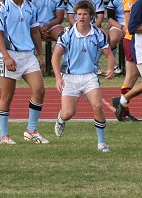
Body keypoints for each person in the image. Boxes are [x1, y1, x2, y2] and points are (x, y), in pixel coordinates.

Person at [51, 0, 115, 152]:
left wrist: (110, 68)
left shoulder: (98, 33)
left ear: (91, 16)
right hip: (70, 77)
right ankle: (61, 118)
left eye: (85, 14)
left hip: (90, 76)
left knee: (98, 106)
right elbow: (55, 57)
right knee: (68, 113)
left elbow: (109, 55)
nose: (81, 17)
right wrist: (58, 78)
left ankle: (101, 143)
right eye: (79, 14)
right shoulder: (67, 34)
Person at [0, 0, 49, 144]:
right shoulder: (1, 7)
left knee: (39, 90)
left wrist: (40, 54)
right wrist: (6, 57)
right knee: (7, 96)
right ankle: (4, 136)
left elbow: (35, 31)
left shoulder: (30, 6)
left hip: (28, 55)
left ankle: (31, 130)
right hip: (9, 54)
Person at [112, 0, 140, 121]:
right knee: (131, 76)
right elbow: (130, 25)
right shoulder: (131, 1)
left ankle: (123, 108)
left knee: (132, 76)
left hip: (135, 40)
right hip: (132, 40)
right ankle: (123, 107)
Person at [106, 0, 126, 74]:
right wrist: (122, 27)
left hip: (136, 25)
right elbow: (110, 20)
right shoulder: (114, 1)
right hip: (119, 24)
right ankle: (113, 64)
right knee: (113, 38)